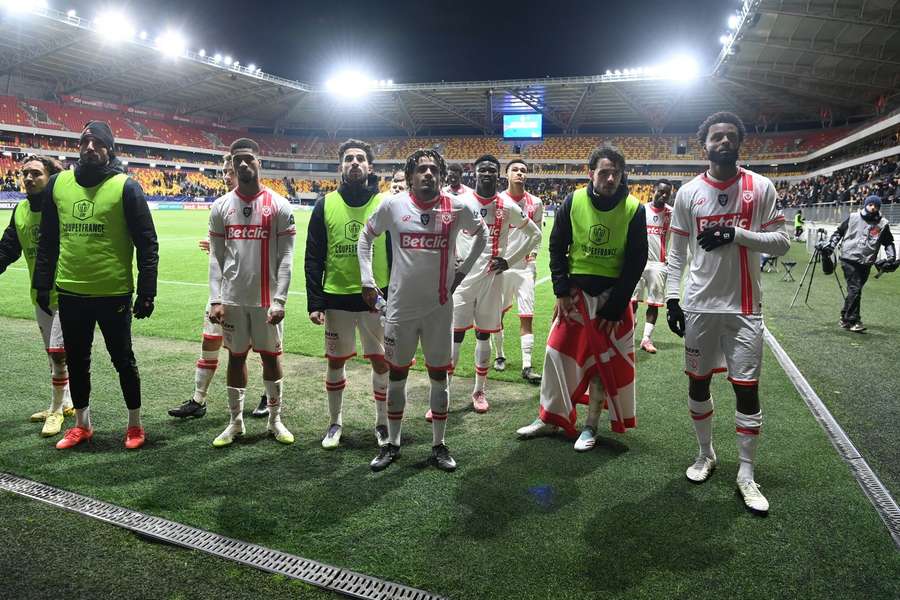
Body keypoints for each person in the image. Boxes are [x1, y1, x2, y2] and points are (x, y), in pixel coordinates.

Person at [665, 111, 789, 514]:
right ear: (704, 144)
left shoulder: (760, 187)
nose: (723, 141)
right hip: (699, 306)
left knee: (746, 388)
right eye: (715, 136)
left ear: (739, 142)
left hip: (744, 309)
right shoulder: (688, 193)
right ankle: (706, 454)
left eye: (730, 136)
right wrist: (671, 298)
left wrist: (735, 234)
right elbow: (676, 253)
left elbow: (782, 241)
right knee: (698, 383)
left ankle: (746, 473)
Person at [357, 149, 487, 472]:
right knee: (397, 375)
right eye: (421, 169)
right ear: (410, 176)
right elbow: (365, 237)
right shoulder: (393, 205)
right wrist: (367, 280)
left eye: (434, 169)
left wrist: (462, 272)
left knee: (439, 376)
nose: (428, 173)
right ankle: (392, 444)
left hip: (439, 309)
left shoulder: (456, 206)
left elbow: (482, 234)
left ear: (441, 176)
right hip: (399, 309)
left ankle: (439, 445)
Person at [33, 121, 159, 450]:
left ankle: (135, 425)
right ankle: (82, 425)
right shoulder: (58, 184)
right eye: (85, 141)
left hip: (113, 292)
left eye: (98, 142)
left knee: (123, 360)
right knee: (77, 361)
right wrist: (42, 284)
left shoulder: (126, 187)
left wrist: (147, 291)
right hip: (70, 290)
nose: (90, 147)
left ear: (109, 149)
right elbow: (47, 241)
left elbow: (147, 243)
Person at [516, 146, 647, 452]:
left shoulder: (633, 208)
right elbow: (557, 245)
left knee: (603, 364)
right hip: (575, 295)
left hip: (612, 298)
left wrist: (616, 307)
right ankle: (549, 417)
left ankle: (591, 426)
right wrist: (561, 291)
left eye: (616, 173)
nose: (610, 178)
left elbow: (636, 261)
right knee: (555, 354)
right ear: (591, 173)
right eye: (604, 172)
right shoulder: (573, 200)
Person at [207, 138, 296, 447]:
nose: (243, 164)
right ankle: (235, 422)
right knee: (235, 358)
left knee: (271, 358)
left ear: (259, 162)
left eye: (248, 159)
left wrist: (280, 300)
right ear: (232, 165)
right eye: (238, 160)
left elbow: (286, 256)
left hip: (266, 301)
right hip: (232, 299)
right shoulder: (220, 206)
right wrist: (216, 299)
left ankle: (275, 420)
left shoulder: (279, 205)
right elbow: (216, 257)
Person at [168, 155, 270, 419]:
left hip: (253, 292)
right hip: (222, 291)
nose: (226, 176)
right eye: (224, 171)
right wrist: (216, 248)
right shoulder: (220, 206)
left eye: (230, 171)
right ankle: (198, 400)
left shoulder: (263, 205)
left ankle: (267, 396)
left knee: (261, 347)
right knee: (210, 340)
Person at [305, 139, 391, 449]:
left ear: (370, 166)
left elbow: (397, 253)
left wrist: (395, 294)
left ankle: (382, 423)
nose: (354, 163)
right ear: (341, 166)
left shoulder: (385, 203)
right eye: (349, 159)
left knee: (381, 362)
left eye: (360, 158)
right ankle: (334, 423)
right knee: (335, 362)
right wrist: (315, 301)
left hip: (377, 299)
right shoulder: (324, 204)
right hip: (337, 297)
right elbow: (313, 255)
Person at [449, 155, 541, 414]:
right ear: (475, 173)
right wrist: (452, 260)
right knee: (455, 336)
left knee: (483, 334)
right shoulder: (461, 202)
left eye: (492, 170)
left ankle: (479, 391)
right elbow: (447, 233)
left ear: (497, 175)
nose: (487, 174)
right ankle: (445, 391)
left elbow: (535, 234)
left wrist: (509, 261)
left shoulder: (507, 205)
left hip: (491, 280)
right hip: (462, 281)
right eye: (483, 170)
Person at [0, 155, 74, 437]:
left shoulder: (61, 207)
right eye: (25, 174)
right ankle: (65, 402)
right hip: (40, 296)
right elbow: (8, 247)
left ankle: (56, 410)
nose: (29, 179)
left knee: (59, 355)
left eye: (36, 174)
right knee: (54, 355)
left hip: (67, 292)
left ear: (50, 177)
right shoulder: (20, 210)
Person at [494, 159, 545, 383]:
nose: (520, 173)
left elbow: (538, 233)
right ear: (506, 174)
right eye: (515, 170)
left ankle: (527, 365)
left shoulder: (536, 203)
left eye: (523, 170)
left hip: (525, 267)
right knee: (497, 314)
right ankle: (499, 355)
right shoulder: (498, 201)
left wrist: (533, 254)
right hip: (502, 266)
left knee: (527, 316)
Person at [819, 194, 895, 333]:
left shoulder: (883, 224)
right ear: (866, 204)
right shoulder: (853, 217)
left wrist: (891, 257)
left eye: (876, 206)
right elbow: (839, 232)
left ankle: (844, 317)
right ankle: (853, 320)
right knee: (855, 288)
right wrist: (831, 245)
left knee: (854, 290)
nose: (873, 208)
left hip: (866, 262)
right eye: (870, 204)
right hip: (849, 258)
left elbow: (888, 242)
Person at [630, 179, 674, 354]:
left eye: (667, 193)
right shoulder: (641, 210)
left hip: (659, 263)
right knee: (632, 301)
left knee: (654, 303)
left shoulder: (672, 214)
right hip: (637, 262)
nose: (663, 195)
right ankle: (629, 335)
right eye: (661, 191)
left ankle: (646, 339)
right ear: (653, 190)